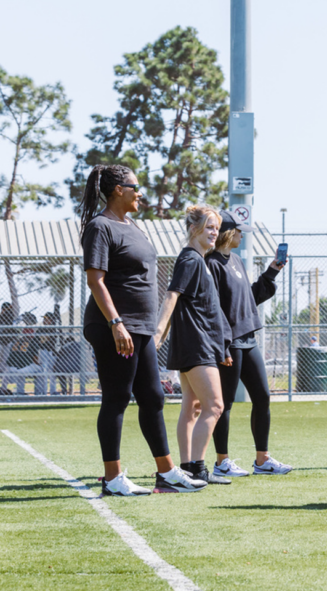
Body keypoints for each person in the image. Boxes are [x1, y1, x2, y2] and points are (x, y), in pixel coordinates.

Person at [79, 164, 204, 495]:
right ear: (119, 190)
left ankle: (166, 472)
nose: (141, 193)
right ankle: (112, 478)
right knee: (118, 397)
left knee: (153, 396)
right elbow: (95, 280)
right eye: (136, 187)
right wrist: (116, 322)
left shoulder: (133, 226)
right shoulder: (100, 226)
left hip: (141, 327)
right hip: (115, 325)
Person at [206, 209, 292, 478]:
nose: (242, 235)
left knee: (263, 397)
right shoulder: (211, 263)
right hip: (228, 343)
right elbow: (214, 309)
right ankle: (222, 462)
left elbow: (249, 298)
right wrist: (222, 345)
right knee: (225, 403)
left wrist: (272, 272)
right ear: (228, 233)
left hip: (248, 339)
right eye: (239, 231)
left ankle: (262, 460)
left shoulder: (237, 261)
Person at [155, 206, 233, 487]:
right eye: (209, 227)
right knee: (215, 406)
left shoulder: (201, 261)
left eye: (217, 227)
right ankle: (198, 469)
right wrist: (158, 333)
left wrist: (221, 347)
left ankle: (187, 468)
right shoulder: (190, 259)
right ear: (193, 229)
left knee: (193, 406)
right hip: (195, 345)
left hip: (200, 345)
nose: (214, 232)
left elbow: (207, 310)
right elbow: (171, 295)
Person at [6, 314, 42, 395]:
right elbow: (35, 358)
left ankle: (20, 391)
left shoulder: (17, 341)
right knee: (41, 370)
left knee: (22, 371)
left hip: (10, 367)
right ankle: (39, 392)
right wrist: (38, 364)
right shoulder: (33, 342)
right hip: (22, 368)